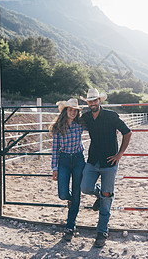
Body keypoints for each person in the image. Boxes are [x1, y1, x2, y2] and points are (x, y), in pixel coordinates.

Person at [80, 88, 132, 248]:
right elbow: (72, 123)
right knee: (85, 187)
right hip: (93, 160)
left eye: (95, 100)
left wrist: (120, 154)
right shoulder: (86, 117)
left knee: (107, 195)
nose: (93, 103)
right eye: (90, 101)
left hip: (110, 162)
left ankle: (102, 232)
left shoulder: (111, 116)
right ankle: (99, 195)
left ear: (99, 101)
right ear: (88, 103)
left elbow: (127, 132)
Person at [50, 98, 85, 241]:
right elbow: (55, 149)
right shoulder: (58, 127)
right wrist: (54, 168)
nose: (72, 112)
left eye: (75, 110)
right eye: (70, 109)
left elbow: (97, 127)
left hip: (78, 160)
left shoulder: (80, 125)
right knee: (63, 194)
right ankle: (72, 200)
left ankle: (70, 226)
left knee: (77, 192)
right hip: (64, 160)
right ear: (65, 111)